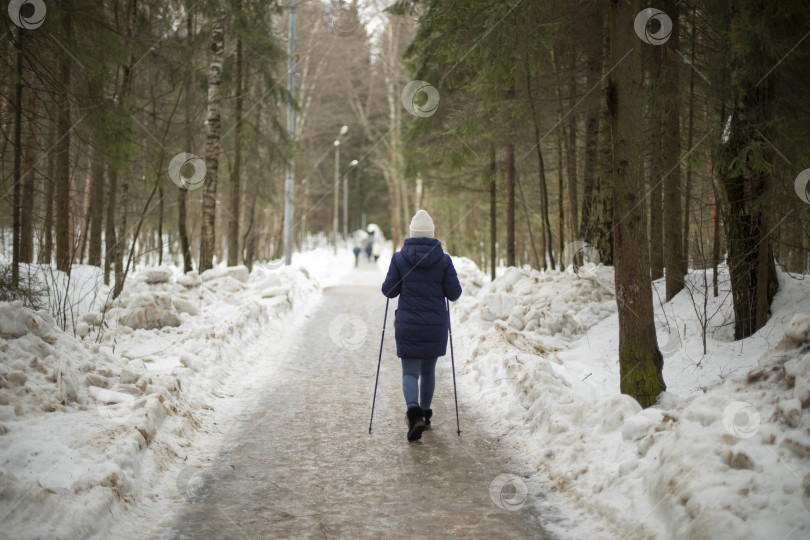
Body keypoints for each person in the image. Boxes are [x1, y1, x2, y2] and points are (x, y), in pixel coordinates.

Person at [381, 210, 462, 442]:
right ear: (432, 234)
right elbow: (454, 294)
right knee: (428, 371)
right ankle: (425, 416)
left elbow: (389, 291)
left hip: (408, 325)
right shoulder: (444, 260)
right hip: (435, 326)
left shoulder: (399, 258)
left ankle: (414, 413)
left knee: (409, 372)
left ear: (411, 233)